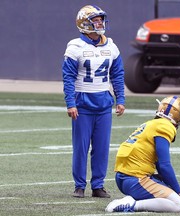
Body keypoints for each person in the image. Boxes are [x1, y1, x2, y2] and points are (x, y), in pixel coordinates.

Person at [62, 5, 125, 198]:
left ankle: (98, 186)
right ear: (84, 23)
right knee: (80, 148)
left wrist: (120, 99)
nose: (99, 23)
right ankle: (79, 185)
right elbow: (68, 77)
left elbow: (118, 74)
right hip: (82, 105)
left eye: (100, 19)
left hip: (104, 104)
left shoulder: (111, 46)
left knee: (102, 148)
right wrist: (71, 103)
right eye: (95, 20)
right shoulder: (75, 47)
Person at [105, 96, 180, 212]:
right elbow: (164, 165)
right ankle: (132, 204)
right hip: (136, 179)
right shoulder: (165, 126)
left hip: (123, 177)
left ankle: (131, 199)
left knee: (168, 186)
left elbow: (158, 163)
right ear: (178, 116)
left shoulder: (151, 124)